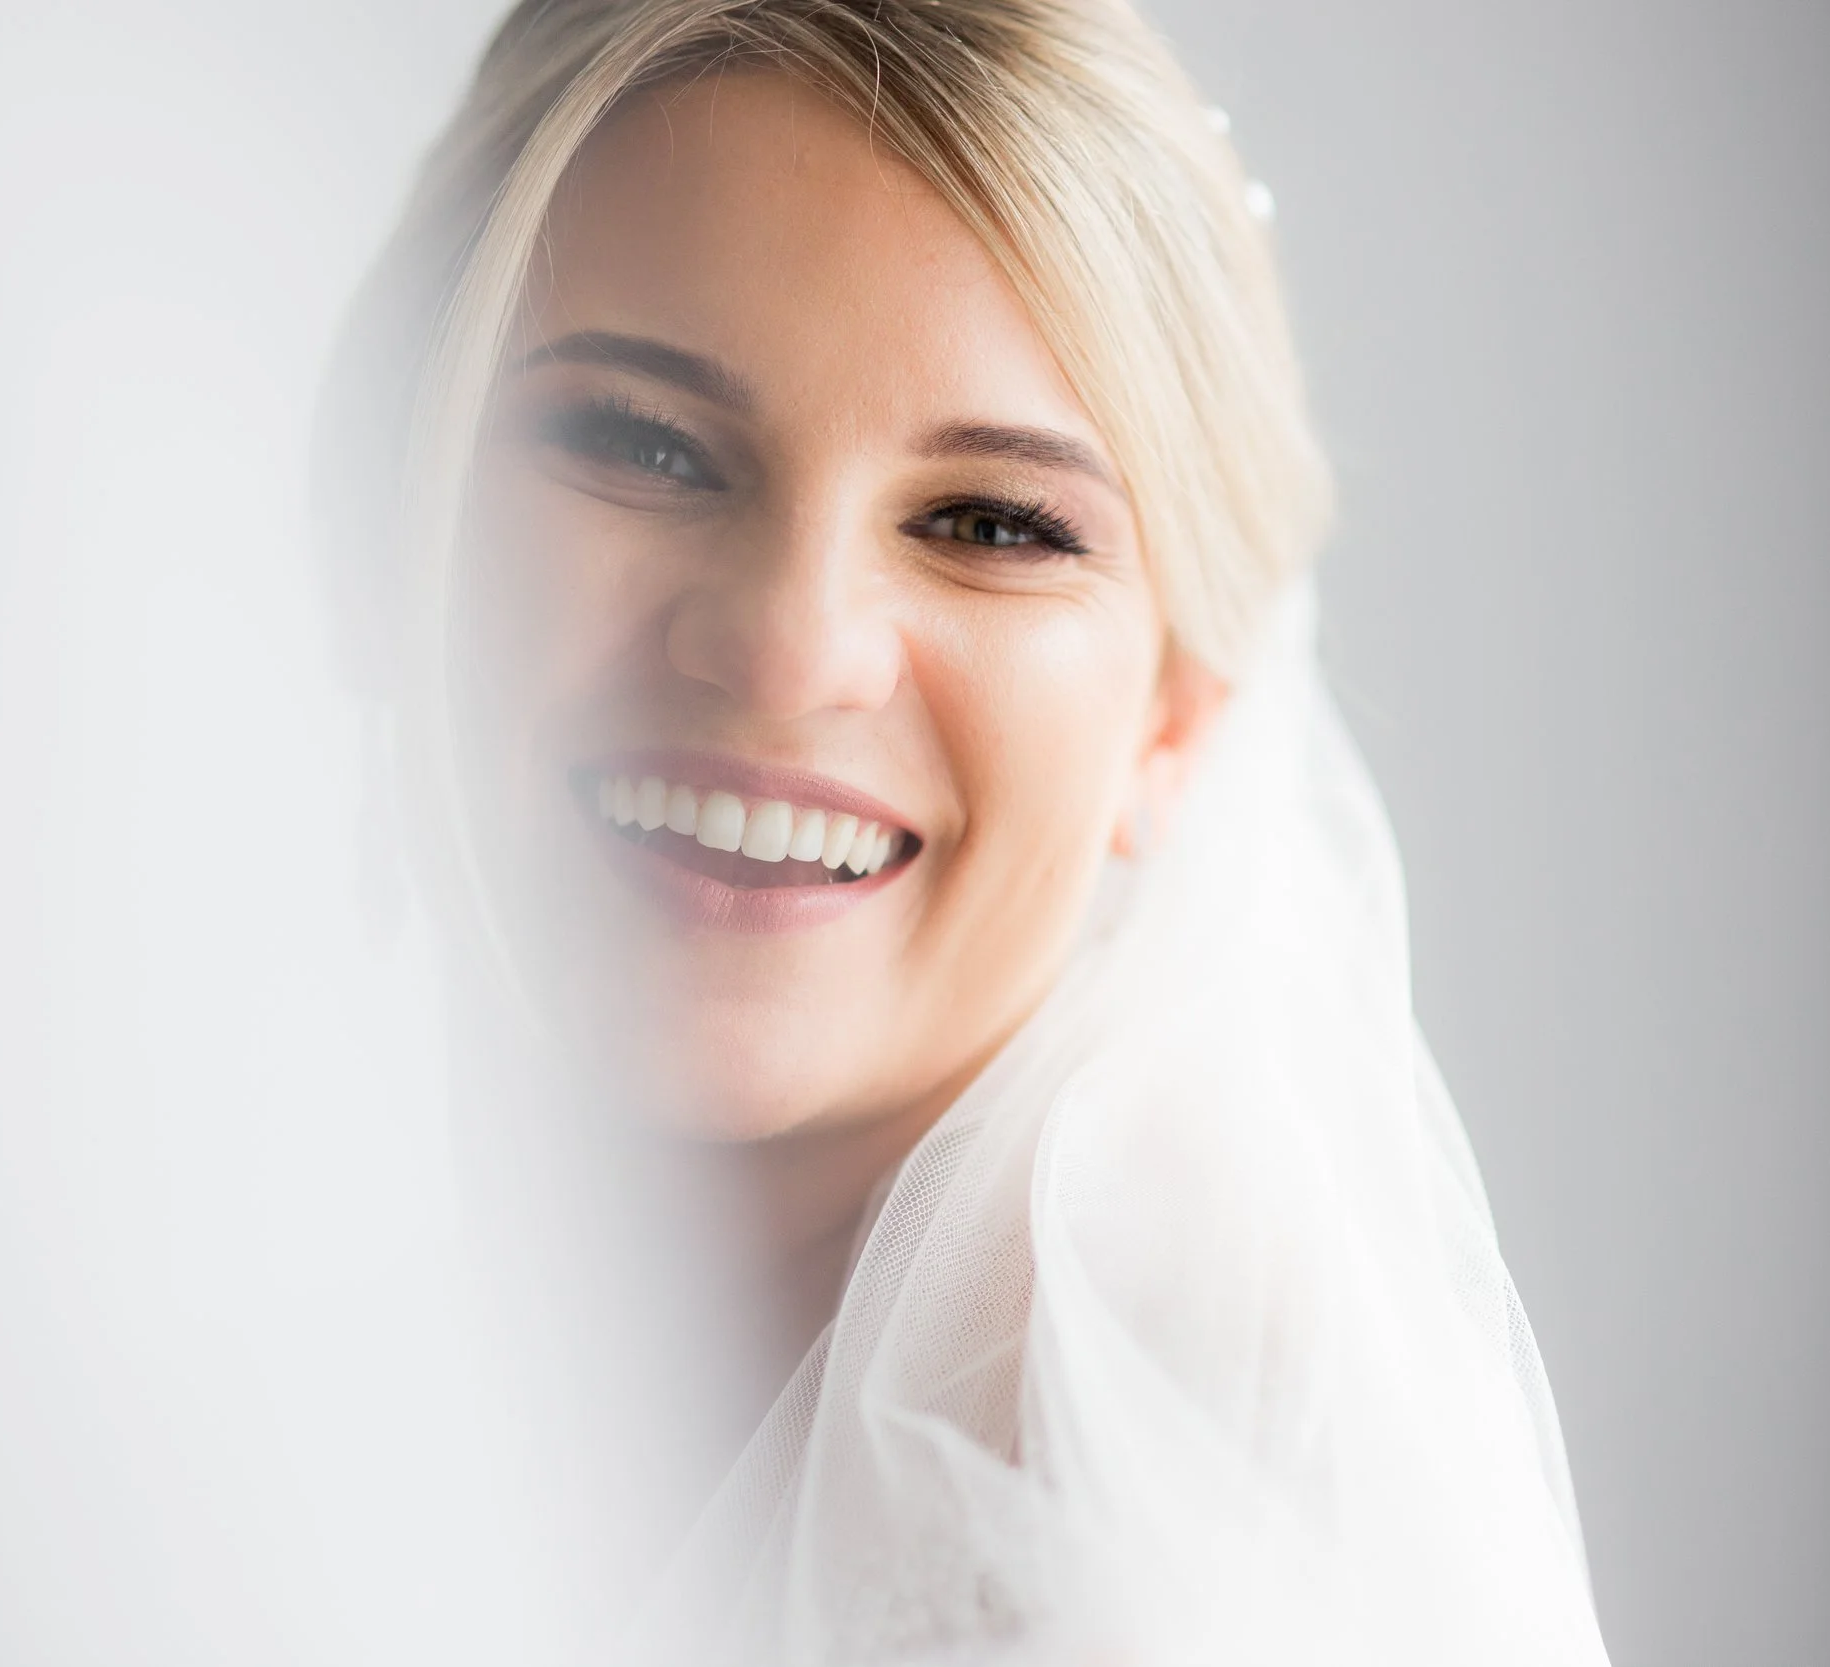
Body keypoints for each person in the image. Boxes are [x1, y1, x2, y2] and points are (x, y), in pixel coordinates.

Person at [318, 1, 1611, 1660]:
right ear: (381, 515)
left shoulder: (1196, 1535)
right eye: (645, 444)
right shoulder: (219, 1347)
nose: (791, 648)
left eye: (991, 523)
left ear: (1178, 714)